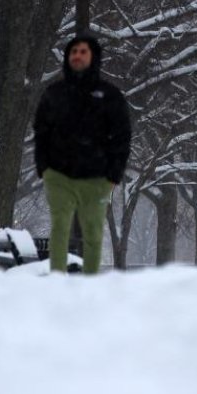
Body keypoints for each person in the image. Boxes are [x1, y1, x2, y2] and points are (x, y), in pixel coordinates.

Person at [33, 35, 131, 274]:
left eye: (83, 51)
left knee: (93, 232)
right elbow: (41, 131)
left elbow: (121, 136)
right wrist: (43, 167)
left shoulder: (109, 96)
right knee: (59, 228)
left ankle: (91, 286)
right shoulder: (53, 93)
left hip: (97, 179)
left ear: (93, 57)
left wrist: (113, 175)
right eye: (73, 51)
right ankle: (57, 281)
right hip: (58, 175)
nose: (77, 55)